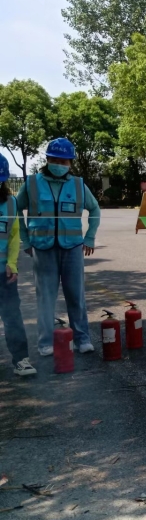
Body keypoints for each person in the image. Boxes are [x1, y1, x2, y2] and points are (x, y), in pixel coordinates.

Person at [16, 137, 101, 356]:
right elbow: (15, 210)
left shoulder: (78, 185)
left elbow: (95, 209)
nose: (59, 165)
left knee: (76, 295)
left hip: (72, 248)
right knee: (45, 297)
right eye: (55, 160)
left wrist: (90, 237)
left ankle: (82, 339)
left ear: (70, 163)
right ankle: (45, 342)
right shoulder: (32, 183)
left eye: (64, 162)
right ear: (47, 159)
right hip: (42, 248)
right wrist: (25, 239)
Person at [0, 154, 35, 376]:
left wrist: (12, 264)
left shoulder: (10, 203)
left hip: (4, 272)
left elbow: (13, 237)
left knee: (12, 315)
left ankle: (21, 360)